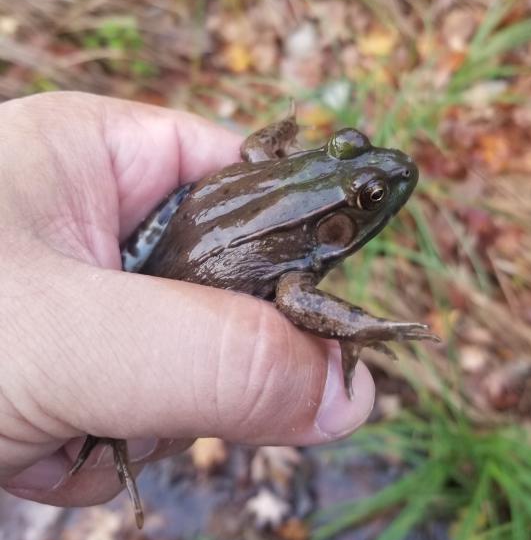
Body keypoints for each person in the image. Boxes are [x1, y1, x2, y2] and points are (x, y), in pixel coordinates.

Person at [0, 92, 375, 513]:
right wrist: (360, 326)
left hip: (165, 238)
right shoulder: (290, 226)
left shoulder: (262, 159)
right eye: (372, 196)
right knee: (120, 416)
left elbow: (253, 146)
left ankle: (107, 428)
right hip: (178, 295)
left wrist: (286, 128)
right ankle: (106, 429)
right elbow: (293, 296)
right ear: (334, 228)